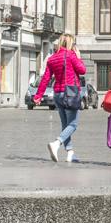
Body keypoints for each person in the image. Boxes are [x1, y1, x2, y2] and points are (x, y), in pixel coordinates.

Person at [34, 33, 87, 162]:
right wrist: (79, 57)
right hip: (70, 93)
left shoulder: (52, 58)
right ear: (70, 44)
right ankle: (56, 143)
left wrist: (38, 95)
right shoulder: (71, 55)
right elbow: (82, 70)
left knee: (65, 125)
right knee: (73, 125)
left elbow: (46, 78)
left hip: (57, 94)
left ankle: (70, 153)